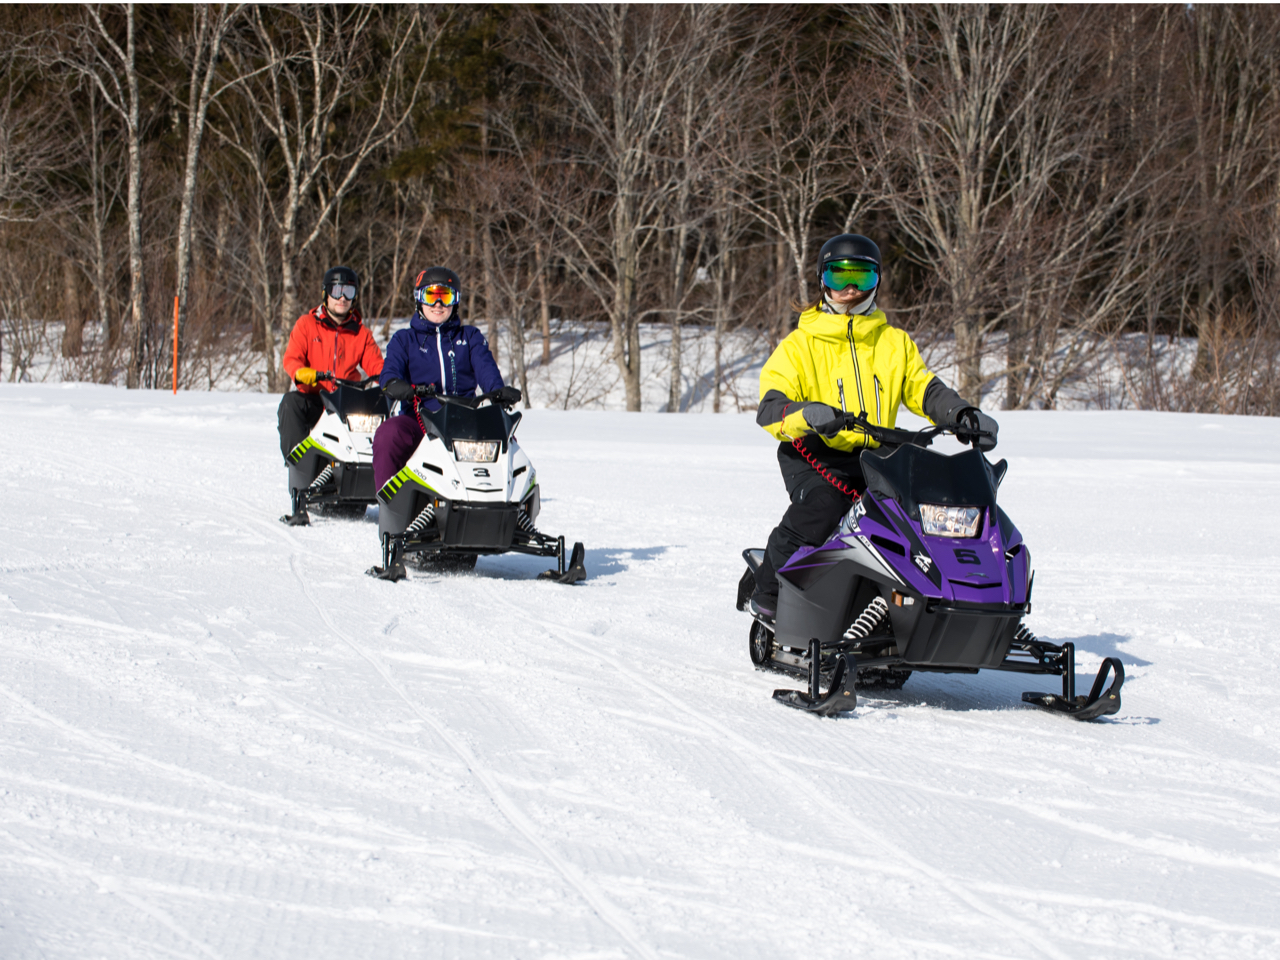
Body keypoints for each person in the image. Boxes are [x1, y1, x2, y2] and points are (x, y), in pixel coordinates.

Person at [749, 233, 999, 620]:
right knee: (826, 507)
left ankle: (935, 604)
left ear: (877, 281)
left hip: (879, 456)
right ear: (822, 281)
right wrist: (809, 414)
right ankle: (767, 588)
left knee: (926, 514)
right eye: (839, 277)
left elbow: (925, 389)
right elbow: (770, 409)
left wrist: (961, 415)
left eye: (861, 278)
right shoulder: (799, 345)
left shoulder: (893, 342)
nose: (850, 289)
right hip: (816, 454)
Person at [373, 267, 520, 491]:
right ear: (419, 300)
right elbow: (390, 371)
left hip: (465, 421)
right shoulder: (405, 339)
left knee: (507, 441)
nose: (438, 304)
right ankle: (390, 507)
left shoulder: (469, 337)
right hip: (421, 420)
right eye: (431, 296)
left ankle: (513, 508)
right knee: (388, 433)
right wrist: (394, 384)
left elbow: (486, 368)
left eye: (446, 296)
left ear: (456, 301)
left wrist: (498, 391)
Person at [278, 265, 385, 465]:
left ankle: (364, 470)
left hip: (346, 402)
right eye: (337, 291)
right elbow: (291, 358)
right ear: (326, 293)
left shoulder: (361, 334)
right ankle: (297, 464)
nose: (342, 298)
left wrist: (390, 378)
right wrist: (300, 373)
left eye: (349, 292)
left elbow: (376, 365)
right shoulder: (306, 324)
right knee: (290, 403)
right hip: (314, 398)